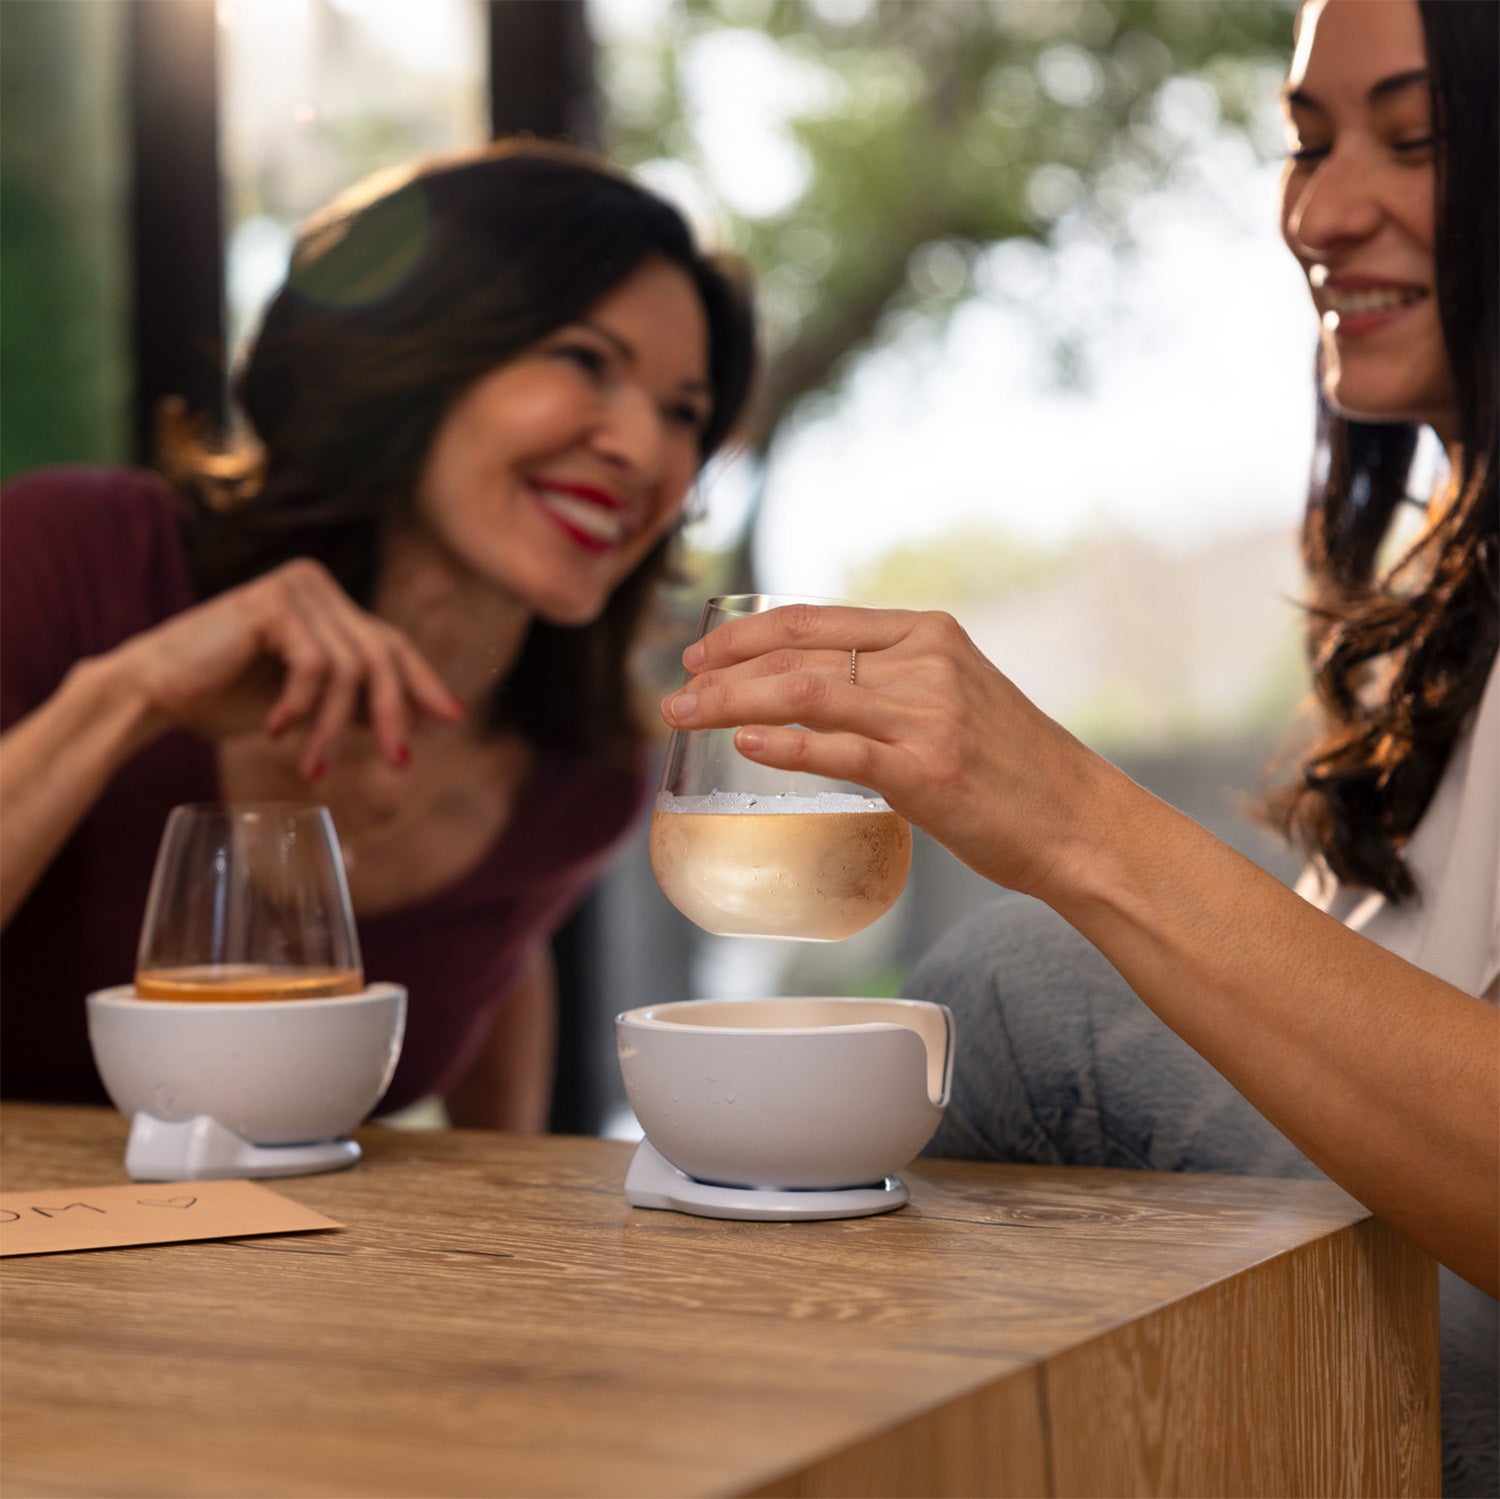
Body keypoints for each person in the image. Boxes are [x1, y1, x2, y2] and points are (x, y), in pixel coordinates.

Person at [657, 1, 1496, 1490]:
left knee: (1022, 993)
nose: (1319, 210)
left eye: (1417, 139)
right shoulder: (1440, 603)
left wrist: (1069, 818)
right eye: (1304, 145)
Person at [0, 139, 756, 1132]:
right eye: (583, 361)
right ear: (423, 356)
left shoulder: (579, 779)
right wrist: (127, 695)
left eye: (683, 415)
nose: (644, 449)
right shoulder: (70, 556)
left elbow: (495, 970)